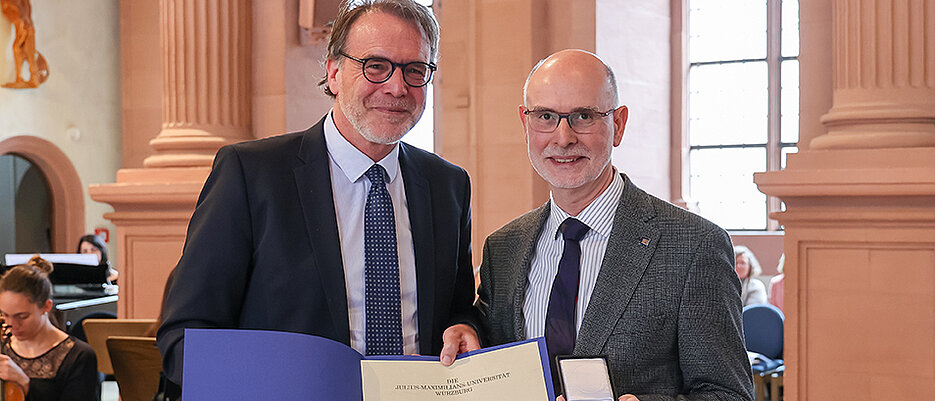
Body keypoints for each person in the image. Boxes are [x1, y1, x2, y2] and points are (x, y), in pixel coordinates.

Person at [157, 0, 475, 389]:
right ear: (334, 71)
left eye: (415, 70)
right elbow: (186, 336)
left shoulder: (447, 185)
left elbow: (457, 311)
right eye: (376, 66)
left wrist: (463, 326)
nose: (396, 86)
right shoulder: (252, 174)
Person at [441, 50, 754, 400]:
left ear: (618, 124)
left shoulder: (694, 245)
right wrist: (466, 327)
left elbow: (729, 393)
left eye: (583, 116)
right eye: (545, 116)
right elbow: (487, 333)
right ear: (525, 123)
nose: (563, 138)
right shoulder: (504, 247)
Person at [0, 255, 99, 401]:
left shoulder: (79, 356)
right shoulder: (3, 346)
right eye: (5, 315)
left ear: (46, 306)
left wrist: (25, 383)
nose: (11, 324)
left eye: (22, 316)